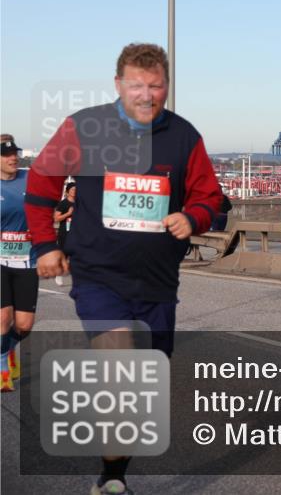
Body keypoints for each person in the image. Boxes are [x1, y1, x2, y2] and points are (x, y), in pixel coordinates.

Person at [26, 43, 223, 495]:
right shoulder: (85, 127)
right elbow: (41, 181)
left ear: (167, 87)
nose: (146, 94)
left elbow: (209, 198)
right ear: (118, 85)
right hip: (99, 275)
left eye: (156, 85)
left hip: (157, 282)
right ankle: (113, 480)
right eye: (136, 85)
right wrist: (44, 246)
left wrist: (192, 217)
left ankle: (112, 473)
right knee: (120, 370)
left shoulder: (184, 136)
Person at [1, 134, 38, 393]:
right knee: (3, 318)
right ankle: (2, 362)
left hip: (28, 261)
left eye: (15, 153)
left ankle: (8, 348)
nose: (13, 157)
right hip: (0, 262)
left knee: (24, 325)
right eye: (6, 154)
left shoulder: (31, 178)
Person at [53, 181, 76, 285]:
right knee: (64, 256)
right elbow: (56, 218)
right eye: (72, 189)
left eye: (76, 189)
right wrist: (68, 213)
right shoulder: (63, 203)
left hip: (77, 234)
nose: (75, 191)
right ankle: (58, 275)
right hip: (64, 234)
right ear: (67, 191)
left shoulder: (79, 203)